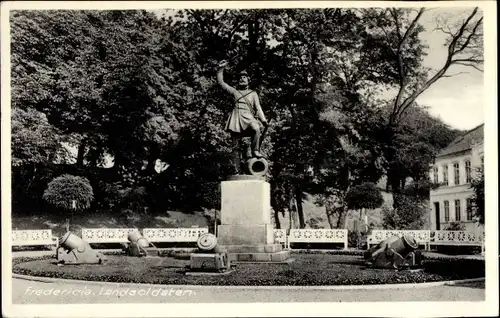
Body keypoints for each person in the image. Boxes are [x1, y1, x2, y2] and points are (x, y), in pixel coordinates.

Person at [217, 60, 268, 172]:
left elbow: (258, 108)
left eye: (244, 77)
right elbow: (221, 83)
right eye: (240, 78)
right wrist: (221, 69)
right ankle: (236, 168)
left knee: (256, 128)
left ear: (248, 80)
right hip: (236, 119)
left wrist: (263, 120)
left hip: (249, 118)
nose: (242, 79)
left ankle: (255, 150)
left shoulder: (253, 93)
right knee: (236, 146)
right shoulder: (234, 92)